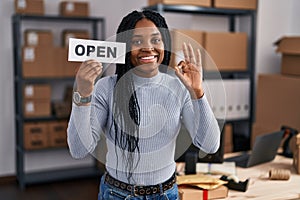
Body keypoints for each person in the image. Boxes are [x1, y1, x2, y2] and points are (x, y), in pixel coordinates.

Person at [67, 9, 220, 200]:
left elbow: (210, 145)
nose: (148, 48)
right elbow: (79, 149)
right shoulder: (106, 87)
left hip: (166, 194)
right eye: (137, 41)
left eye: (156, 40)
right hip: (117, 194)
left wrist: (198, 92)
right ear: (125, 47)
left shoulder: (178, 87)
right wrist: (83, 94)